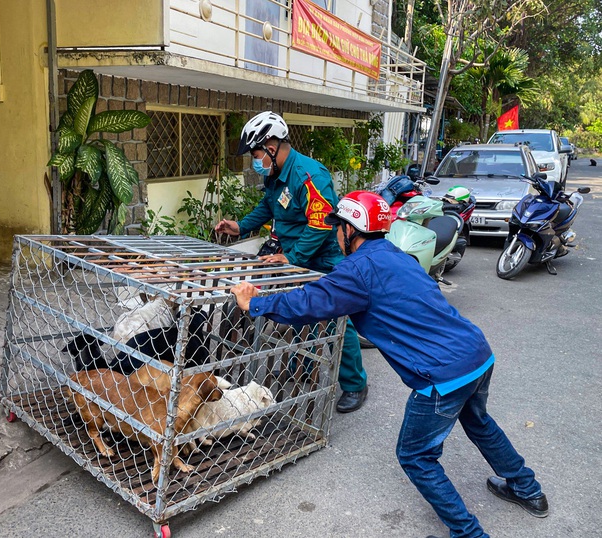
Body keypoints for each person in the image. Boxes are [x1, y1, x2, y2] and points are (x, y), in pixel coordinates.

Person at [231, 190, 548, 538]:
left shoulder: (357, 270)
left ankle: (468, 534)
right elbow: (331, 287)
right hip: (475, 354)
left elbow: (312, 301)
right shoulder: (397, 256)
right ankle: (528, 489)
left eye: (340, 227)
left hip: (441, 374)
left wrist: (255, 305)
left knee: (415, 456)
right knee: (479, 422)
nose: (336, 234)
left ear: (351, 230)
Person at [215, 111, 368, 413]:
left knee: (339, 320)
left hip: (321, 258)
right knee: (300, 310)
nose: (255, 159)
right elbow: (268, 207)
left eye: (256, 152)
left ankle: (355, 384)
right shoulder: (275, 177)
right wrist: (241, 226)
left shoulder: (308, 175)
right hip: (294, 258)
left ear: (271, 146)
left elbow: (322, 224)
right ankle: (303, 363)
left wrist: (292, 257)